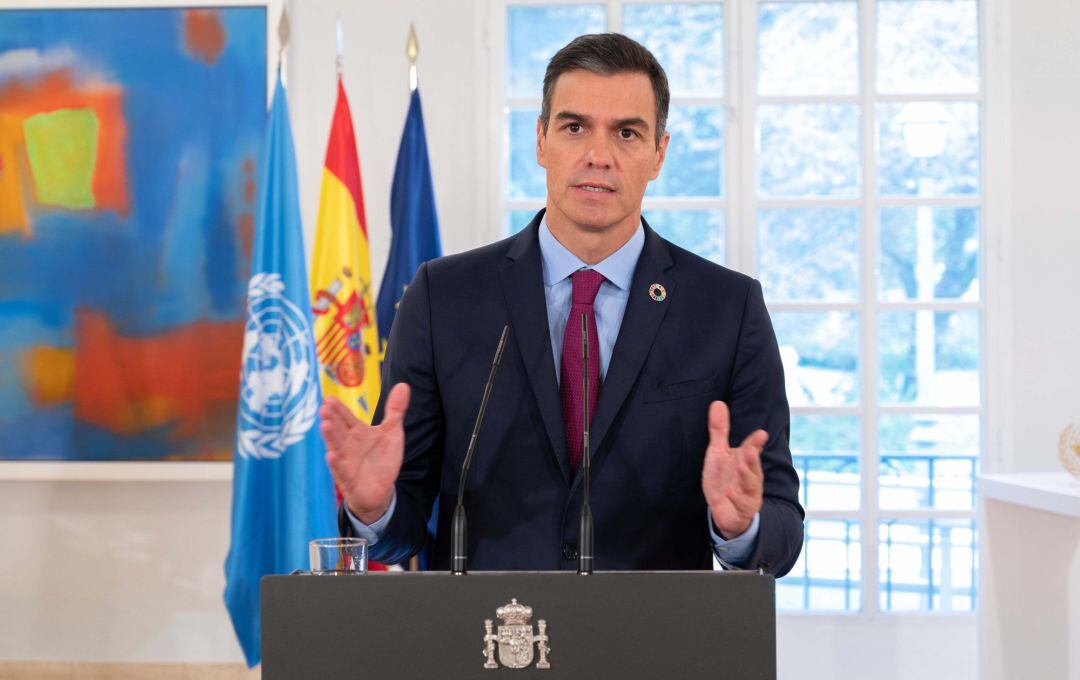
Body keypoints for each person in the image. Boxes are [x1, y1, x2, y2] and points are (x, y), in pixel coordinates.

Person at [319, 33, 804, 574]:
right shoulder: (442, 297)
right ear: (541, 140)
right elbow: (404, 522)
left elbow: (782, 526)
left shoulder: (727, 308)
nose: (599, 156)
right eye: (575, 128)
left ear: (658, 154)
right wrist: (374, 508)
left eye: (626, 132)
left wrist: (741, 526)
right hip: (488, 644)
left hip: (658, 647)